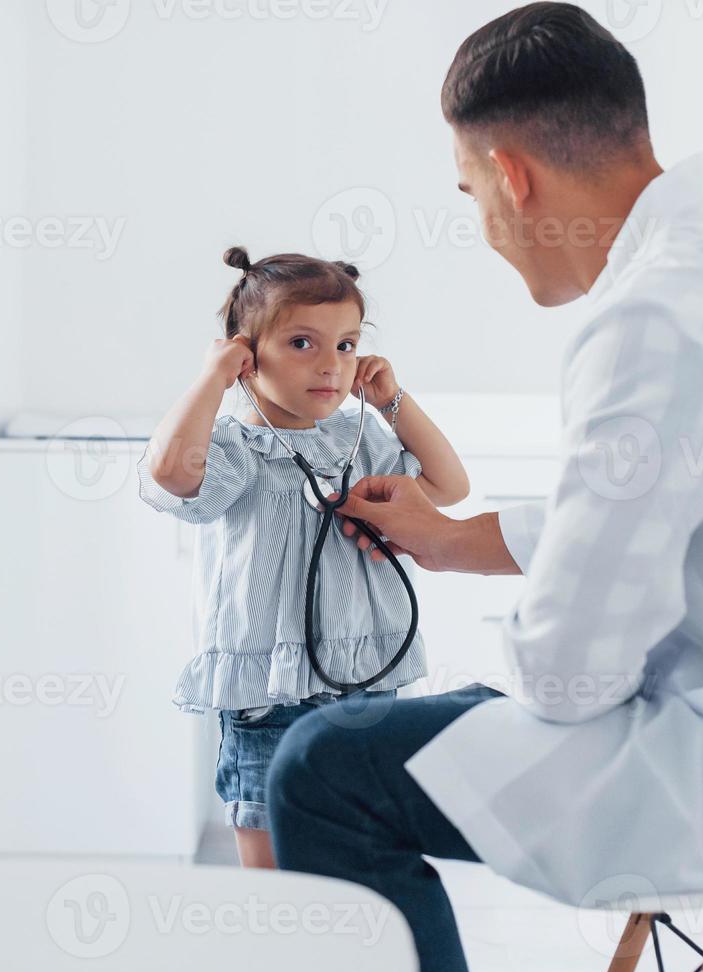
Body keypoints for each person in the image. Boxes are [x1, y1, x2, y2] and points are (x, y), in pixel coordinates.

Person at [265, 4, 703, 972]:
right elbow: (689, 501)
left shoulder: (654, 318)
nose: (483, 224)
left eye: (470, 190)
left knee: (323, 762)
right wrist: (462, 535)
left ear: (513, 178)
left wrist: (505, 651)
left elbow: (567, 675)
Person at [137, 246, 470, 869]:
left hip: (364, 678)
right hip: (271, 690)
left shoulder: (363, 436)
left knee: (358, 848)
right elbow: (171, 476)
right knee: (274, 862)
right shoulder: (236, 444)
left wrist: (394, 398)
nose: (331, 365)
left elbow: (449, 487)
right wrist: (212, 379)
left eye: (346, 346)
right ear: (245, 354)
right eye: (301, 343)